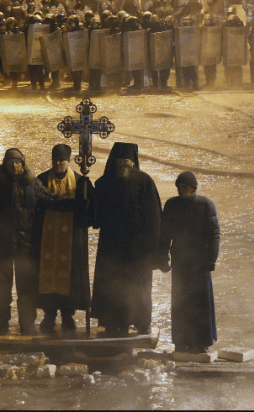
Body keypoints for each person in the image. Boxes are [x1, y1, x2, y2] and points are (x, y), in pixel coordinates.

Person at [0, 149, 56, 336]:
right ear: (5, 164)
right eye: (11, 162)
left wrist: (74, 203)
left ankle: (27, 325)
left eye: (18, 162)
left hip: (25, 245)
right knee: (1, 288)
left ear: (23, 163)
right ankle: (1, 324)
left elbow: (50, 199)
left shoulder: (33, 184)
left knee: (27, 287)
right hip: (1, 245)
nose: (14, 165)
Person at [91, 142, 162, 336]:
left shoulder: (145, 182)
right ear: (114, 161)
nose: (124, 164)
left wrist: (153, 249)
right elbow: (95, 217)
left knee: (139, 287)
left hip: (138, 248)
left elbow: (155, 217)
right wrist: (86, 191)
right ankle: (114, 323)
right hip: (112, 247)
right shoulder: (104, 183)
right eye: (120, 160)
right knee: (113, 286)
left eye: (127, 160)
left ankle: (142, 323)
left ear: (134, 162)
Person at [35, 144, 95, 334]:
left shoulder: (80, 181)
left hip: (71, 238)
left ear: (69, 161)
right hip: (47, 238)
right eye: (56, 160)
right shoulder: (41, 180)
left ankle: (68, 316)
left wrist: (85, 207)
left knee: (70, 277)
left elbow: (90, 209)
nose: (59, 163)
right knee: (48, 275)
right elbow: (35, 205)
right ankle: (49, 316)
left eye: (62, 160)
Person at [157, 171, 220, 354]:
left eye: (185, 186)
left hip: (200, 264)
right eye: (179, 187)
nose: (181, 190)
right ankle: (181, 341)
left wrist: (211, 259)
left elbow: (214, 234)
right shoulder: (171, 205)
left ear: (193, 188)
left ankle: (201, 342)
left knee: (201, 303)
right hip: (180, 262)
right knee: (180, 303)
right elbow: (164, 234)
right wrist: (162, 258)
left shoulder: (206, 205)